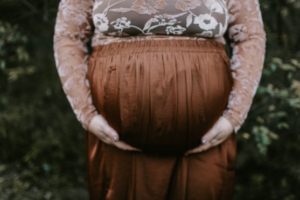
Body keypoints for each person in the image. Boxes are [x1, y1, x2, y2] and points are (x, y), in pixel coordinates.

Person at [53, 0, 266, 199]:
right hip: (116, 140)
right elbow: (70, 36)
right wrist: (86, 113)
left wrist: (234, 115)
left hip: (208, 139)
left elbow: (248, 36)